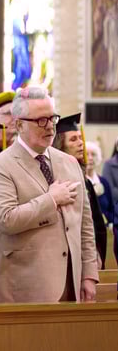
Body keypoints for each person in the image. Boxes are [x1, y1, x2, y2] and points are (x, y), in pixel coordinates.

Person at [0, 87, 99, 303]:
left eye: (52, 118)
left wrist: (89, 274)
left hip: (70, 283)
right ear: (19, 124)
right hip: (24, 287)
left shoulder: (70, 162)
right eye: (40, 120)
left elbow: (85, 224)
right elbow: (6, 219)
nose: (50, 127)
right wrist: (51, 199)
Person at [52, 113, 108, 268]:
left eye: (80, 137)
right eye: (73, 139)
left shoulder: (86, 181)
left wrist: (96, 253)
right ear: (60, 145)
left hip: (87, 254)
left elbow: (97, 223)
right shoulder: (53, 180)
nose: (80, 143)